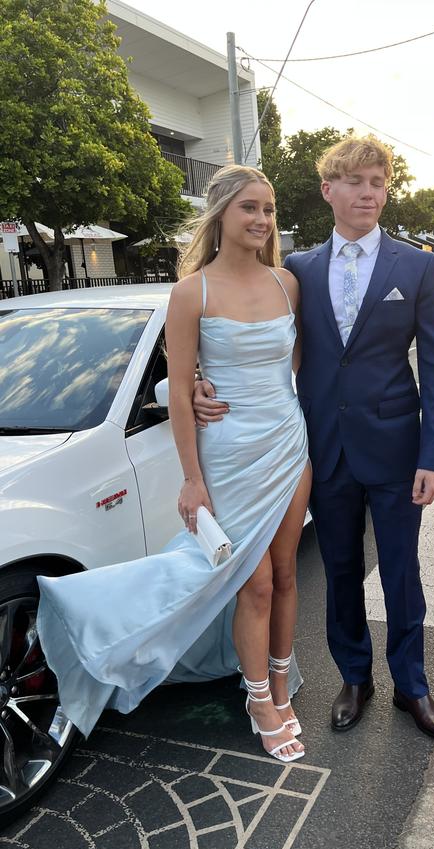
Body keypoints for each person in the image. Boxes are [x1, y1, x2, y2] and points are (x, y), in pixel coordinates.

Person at [37, 165, 311, 762]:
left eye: (268, 209)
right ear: (221, 215)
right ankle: (258, 695)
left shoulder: (288, 284)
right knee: (253, 582)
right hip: (228, 455)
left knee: (287, 573)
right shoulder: (192, 292)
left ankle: (285, 680)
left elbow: (294, 366)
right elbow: (179, 386)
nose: (262, 220)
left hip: (289, 444)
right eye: (249, 208)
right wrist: (192, 478)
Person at [194, 136, 434, 741]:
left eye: (379, 183)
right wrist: (199, 387)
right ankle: (354, 679)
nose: (369, 193)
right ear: (328, 190)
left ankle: (411, 687)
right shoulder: (297, 273)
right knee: (339, 569)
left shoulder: (415, 265)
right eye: (357, 182)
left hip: (395, 449)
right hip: (321, 448)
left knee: (400, 571)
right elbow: (252, 343)